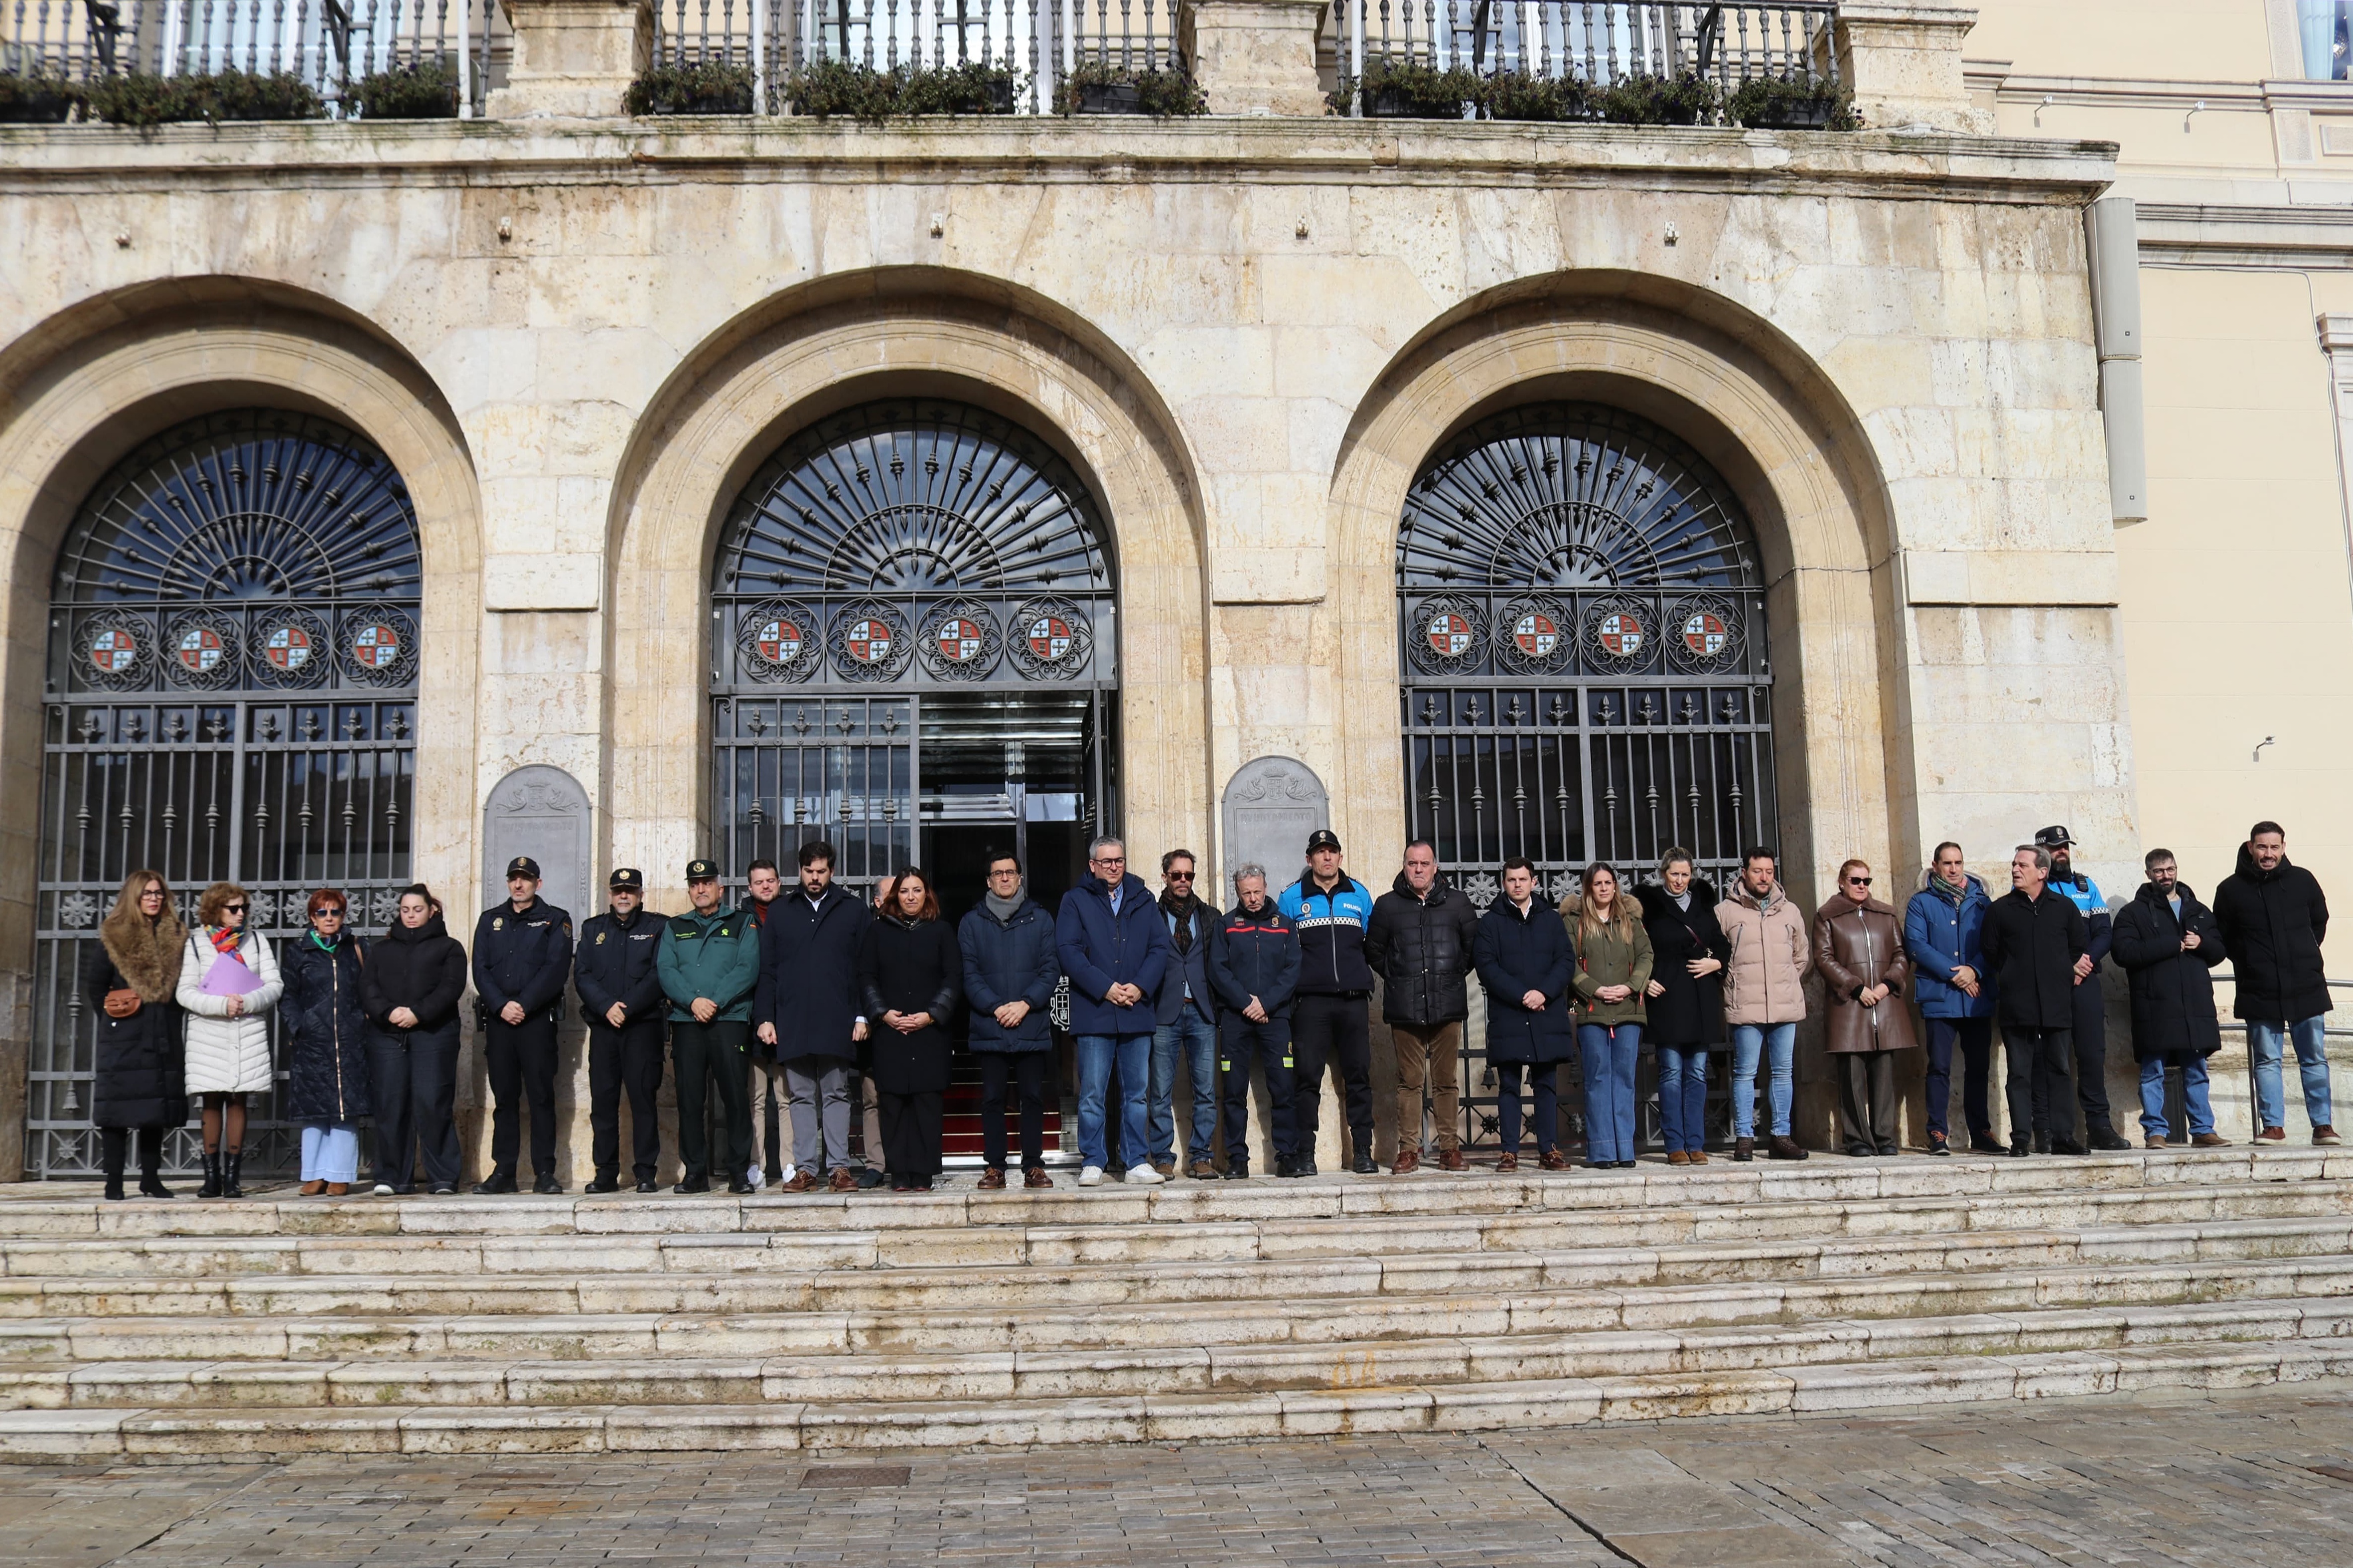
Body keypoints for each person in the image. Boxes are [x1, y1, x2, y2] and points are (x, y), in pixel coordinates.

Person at [755, 840, 872, 1192]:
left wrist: (863, 1015)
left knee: (836, 1093)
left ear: (832, 871)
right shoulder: (781, 911)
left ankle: (838, 1168)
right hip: (794, 1018)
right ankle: (805, 1168)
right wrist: (766, 1018)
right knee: (801, 1096)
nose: (815, 877)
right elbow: (768, 970)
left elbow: (865, 968)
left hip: (838, 1018)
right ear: (800, 871)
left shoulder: (852, 909)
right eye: (809, 871)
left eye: (822, 871)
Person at [2213, 821, 2338, 1145]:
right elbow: (2225, 936)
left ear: (2284, 847)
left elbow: (2319, 922)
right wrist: (2250, 963)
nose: (2268, 854)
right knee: (2267, 1059)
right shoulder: (2230, 889)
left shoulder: (2303, 881)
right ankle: (2273, 1126)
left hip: (2305, 985)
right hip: (2259, 988)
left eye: (2274, 847)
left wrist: (2305, 956)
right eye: (2262, 847)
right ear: (2251, 847)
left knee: (2314, 1057)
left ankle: (2323, 1125)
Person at [1058, 835, 1172, 1187]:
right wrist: (1105, 987)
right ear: (1092, 865)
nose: (1113, 867)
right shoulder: (1075, 900)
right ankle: (1094, 1159)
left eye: (1119, 860)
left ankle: (1136, 1159)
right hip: (1096, 1010)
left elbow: (1159, 947)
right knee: (1092, 1091)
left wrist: (1139, 986)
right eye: (1106, 861)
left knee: (1137, 1092)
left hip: (1137, 1009)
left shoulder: (1143, 899)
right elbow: (1069, 950)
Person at [1365, 839, 1480, 1173]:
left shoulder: (1458, 903)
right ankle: (1409, 1150)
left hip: (1447, 1003)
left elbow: (1470, 949)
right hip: (1406, 1005)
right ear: (1404, 866)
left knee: (1446, 1080)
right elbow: (1374, 950)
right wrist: (1399, 976)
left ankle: (1449, 1149)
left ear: (1435, 867)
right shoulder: (1387, 906)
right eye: (1412, 863)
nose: (1418, 869)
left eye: (1424, 864)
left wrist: (1450, 976)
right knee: (1410, 1080)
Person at [2111, 848, 2230, 1150]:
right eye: (2159, 871)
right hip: (2155, 1006)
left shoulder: (2199, 909)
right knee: (2153, 1071)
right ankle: (2156, 1132)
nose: (2166, 876)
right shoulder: (2133, 914)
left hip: (2195, 1006)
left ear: (2177, 869)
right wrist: (2170, 944)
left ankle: (2203, 1130)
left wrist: (2201, 943)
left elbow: (2219, 951)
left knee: (2197, 1070)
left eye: (2170, 869)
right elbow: (2124, 954)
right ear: (2148, 874)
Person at [1277, 829, 1379, 1174]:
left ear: (1339, 856)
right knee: (1306, 1078)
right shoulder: (1291, 898)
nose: (1327, 858)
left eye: (1332, 851)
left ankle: (1363, 1150)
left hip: (1353, 1001)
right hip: (1311, 1003)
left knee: (1359, 1076)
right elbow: (1283, 951)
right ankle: (1306, 1152)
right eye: (1320, 852)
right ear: (1309, 859)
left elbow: (1370, 941)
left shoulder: (1360, 894)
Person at [469, 856, 574, 1194]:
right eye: (514, 878)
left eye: (526, 879)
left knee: (542, 1097)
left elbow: (556, 968)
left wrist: (524, 1005)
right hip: (501, 1022)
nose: (519, 884)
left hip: (537, 1022)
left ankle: (545, 1171)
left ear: (537, 884)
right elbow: (481, 969)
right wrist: (501, 1005)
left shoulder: (555, 920)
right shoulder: (490, 921)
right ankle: (505, 1171)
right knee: (505, 1099)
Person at [82, 869, 187, 1201]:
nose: (154, 898)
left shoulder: (177, 934)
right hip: (124, 1036)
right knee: (116, 1111)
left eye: (159, 893)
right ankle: (114, 1180)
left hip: (162, 1032)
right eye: (147, 893)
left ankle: (151, 1179)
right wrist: (117, 1019)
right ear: (135, 897)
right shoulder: (114, 935)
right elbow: (96, 986)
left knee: (153, 1111)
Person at [657, 858, 761, 1193]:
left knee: (735, 1098)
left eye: (706, 882)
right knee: (690, 1101)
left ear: (720, 888)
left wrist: (713, 1000)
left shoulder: (742, 922)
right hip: (687, 1022)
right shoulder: (675, 927)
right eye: (694, 884)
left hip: (728, 1020)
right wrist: (693, 1002)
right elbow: (667, 971)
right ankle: (696, 1173)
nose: (700, 889)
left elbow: (747, 967)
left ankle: (738, 1174)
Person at [1979, 843, 2089, 1157]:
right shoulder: (2000, 910)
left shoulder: (2064, 908)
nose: (2015, 869)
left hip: (2057, 1002)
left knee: (2060, 1070)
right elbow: (1991, 952)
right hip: (2017, 1004)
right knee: (2019, 1074)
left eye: (2022, 865)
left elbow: (2076, 947)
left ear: (2042, 872)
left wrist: (2060, 975)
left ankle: (2063, 1136)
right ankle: (2021, 1138)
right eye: (2014, 864)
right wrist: (2014, 975)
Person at [959, 851, 1059, 1189]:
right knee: (992, 1098)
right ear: (989, 881)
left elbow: (1051, 969)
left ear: (1020, 878)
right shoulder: (972, 921)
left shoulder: (1041, 919)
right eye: (998, 873)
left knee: (1032, 1097)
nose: (1004, 878)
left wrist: (1025, 1004)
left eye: (1010, 872)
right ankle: (995, 1168)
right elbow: (968, 973)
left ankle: (1033, 1165)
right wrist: (997, 1006)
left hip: (1030, 1023)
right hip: (991, 1024)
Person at [360, 884, 468, 1194]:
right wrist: (389, 1012)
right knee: (391, 1104)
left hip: (433, 1035)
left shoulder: (450, 947)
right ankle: (393, 1177)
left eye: (417, 910)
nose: (411, 916)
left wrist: (418, 1013)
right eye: (405, 910)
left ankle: (443, 1178)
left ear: (431, 911)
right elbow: (368, 987)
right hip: (387, 1036)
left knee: (432, 1102)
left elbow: (451, 987)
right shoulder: (381, 949)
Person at [177, 880, 282, 1199]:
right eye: (233, 909)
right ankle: (212, 1178)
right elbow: (185, 992)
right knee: (210, 1100)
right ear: (215, 911)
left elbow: (274, 985)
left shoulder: (257, 940)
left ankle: (233, 1178)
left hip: (245, 1028)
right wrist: (222, 1005)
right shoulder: (196, 943)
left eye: (244, 908)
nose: (241, 914)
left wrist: (247, 1002)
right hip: (209, 1030)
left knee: (239, 1098)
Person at [860, 868, 961, 1192]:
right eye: (904, 891)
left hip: (929, 1033)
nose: (911, 897)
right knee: (892, 1106)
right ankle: (899, 1173)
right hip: (890, 1032)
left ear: (927, 894)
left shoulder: (942, 931)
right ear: (895, 896)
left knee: (926, 1105)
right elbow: (866, 977)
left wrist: (930, 1015)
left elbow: (953, 979)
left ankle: (923, 1173)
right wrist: (883, 1014)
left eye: (917, 890)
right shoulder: (877, 932)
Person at [1813, 858, 1919, 1157]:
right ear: (1842, 882)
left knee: (1884, 1073)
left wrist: (1888, 984)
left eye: (1866, 881)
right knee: (1851, 1075)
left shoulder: (1885, 914)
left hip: (1885, 1006)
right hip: (1849, 1006)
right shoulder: (1827, 917)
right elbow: (1823, 958)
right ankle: (1857, 1138)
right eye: (1855, 881)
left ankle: (1885, 1137)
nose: (1862, 886)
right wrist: (1857, 988)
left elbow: (1901, 954)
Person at [1475, 856, 1576, 1170]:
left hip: (1546, 1011)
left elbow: (1565, 961)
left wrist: (1543, 992)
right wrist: (1521, 995)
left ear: (1534, 882)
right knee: (1509, 1085)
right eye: (1511, 880)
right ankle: (1509, 1151)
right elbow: (1487, 966)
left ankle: (1549, 1149)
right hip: (1510, 1014)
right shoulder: (1491, 921)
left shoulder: (1551, 919)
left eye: (1523, 879)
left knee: (1546, 1083)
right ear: (1503, 883)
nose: (1517, 885)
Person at [574, 868, 669, 1194]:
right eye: (618, 891)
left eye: (630, 890)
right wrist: (606, 1007)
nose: (624, 896)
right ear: (610, 894)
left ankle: (645, 1172)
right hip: (604, 1029)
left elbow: (658, 975)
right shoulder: (593, 929)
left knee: (643, 1100)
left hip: (642, 1029)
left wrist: (625, 1007)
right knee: (603, 1101)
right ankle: (605, 1172)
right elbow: (583, 974)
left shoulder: (658, 926)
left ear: (641, 894)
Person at [1904, 842, 2002, 1155]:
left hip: (1977, 998)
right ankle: (1937, 1132)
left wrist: (1974, 970)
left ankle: (1981, 1133)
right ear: (1935, 866)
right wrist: (1955, 974)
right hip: (1941, 997)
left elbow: (1993, 945)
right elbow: (1916, 945)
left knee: (1978, 1068)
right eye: (1947, 863)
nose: (1954, 868)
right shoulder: (1921, 902)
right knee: (1939, 1068)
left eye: (1958, 862)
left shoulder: (1983, 902)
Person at [1633, 850, 1730, 1166]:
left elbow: (1721, 943)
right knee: (1672, 1072)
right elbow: (1635, 948)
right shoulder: (1650, 906)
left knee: (1698, 1072)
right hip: (1667, 994)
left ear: (1692, 876)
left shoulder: (1703, 905)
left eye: (1685, 875)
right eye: (1674, 874)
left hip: (1700, 995)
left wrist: (1716, 962)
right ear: (1663, 874)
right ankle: (1675, 1144)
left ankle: (1696, 1143)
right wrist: (1645, 980)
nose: (1679, 881)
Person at [2038, 827, 2131, 1150]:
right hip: (2052, 984)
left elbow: (2104, 930)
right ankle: (2056, 1131)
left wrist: (2086, 961)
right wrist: (2068, 965)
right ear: (2042, 852)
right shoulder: (2035, 886)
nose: (2062, 852)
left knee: (2093, 1054)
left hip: (2086, 981)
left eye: (2065, 847)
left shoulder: (2085, 885)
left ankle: (2100, 1127)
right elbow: (2036, 938)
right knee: (2056, 1058)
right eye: (2055, 847)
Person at [1207, 864, 1301, 1179]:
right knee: (1233, 1092)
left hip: (1276, 1019)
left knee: (1284, 1089)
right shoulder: (1226, 925)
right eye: (1246, 893)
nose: (1253, 898)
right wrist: (1247, 1003)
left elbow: (1293, 970)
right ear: (1237, 892)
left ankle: (1287, 1155)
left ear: (1266, 887)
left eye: (1257, 891)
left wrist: (1267, 1003)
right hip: (1236, 1019)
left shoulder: (1286, 925)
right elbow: (1218, 970)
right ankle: (1237, 1158)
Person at [1720, 846, 1812, 1161]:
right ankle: (1744, 1137)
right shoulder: (1726, 912)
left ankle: (1781, 1137)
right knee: (1745, 1072)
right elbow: (1718, 958)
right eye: (1758, 871)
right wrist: (1734, 984)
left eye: (1769, 871)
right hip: (1746, 1004)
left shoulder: (1790, 911)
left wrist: (1784, 981)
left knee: (1783, 1072)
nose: (1764, 877)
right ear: (1744, 872)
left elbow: (1802, 956)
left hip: (1785, 1004)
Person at [278, 889, 371, 1196]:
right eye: (323, 913)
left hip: (349, 1040)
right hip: (312, 1042)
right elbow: (287, 995)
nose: (329, 918)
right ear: (312, 918)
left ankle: (340, 1174)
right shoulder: (297, 953)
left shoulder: (357, 948)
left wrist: (362, 1022)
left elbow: (370, 988)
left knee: (344, 1108)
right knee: (315, 1109)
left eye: (335, 913)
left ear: (343, 917)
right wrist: (299, 1026)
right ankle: (315, 1174)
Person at [1566, 861, 1651, 1168]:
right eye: (1597, 883)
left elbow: (1646, 955)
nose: (1604, 888)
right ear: (1589, 888)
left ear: (1616, 886)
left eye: (1608, 883)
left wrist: (1631, 987)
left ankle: (1625, 1149)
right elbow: (1568, 962)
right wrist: (1594, 990)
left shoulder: (1630, 919)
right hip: (1592, 1011)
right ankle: (1602, 1149)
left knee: (1625, 1078)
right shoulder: (1574, 922)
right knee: (1597, 1077)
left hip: (1628, 1010)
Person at [1150, 849, 1221, 1180]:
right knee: (1160, 1092)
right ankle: (1163, 1156)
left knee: (1205, 1091)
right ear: (1164, 875)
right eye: (1176, 875)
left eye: (1188, 875)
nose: (1183, 881)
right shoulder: (1150, 915)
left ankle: (1202, 1156)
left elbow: (1219, 964)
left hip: (1202, 1012)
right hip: (1164, 1011)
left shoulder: (1210, 916)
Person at [739, 859, 785, 1189]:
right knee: (755, 1096)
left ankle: (791, 1164)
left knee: (788, 1095)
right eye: (759, 882)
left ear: (780, 883)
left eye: (771, 880)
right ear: (750, 887)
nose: (766, 886)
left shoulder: (793, 914)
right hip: (751, 1017)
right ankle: (756, 1164)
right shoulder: (740, 920)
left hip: (788, 1016)